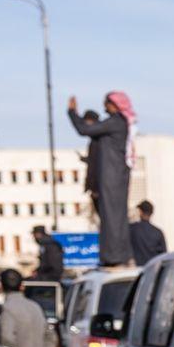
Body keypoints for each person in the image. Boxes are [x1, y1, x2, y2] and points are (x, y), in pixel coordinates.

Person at [67, 91, 135, 266]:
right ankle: (115, 255)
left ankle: (114, 256)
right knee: (112, 218)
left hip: (112, 177)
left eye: (107, 103)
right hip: (113, 176)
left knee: (113, 218)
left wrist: (72, 113)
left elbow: (84, 129)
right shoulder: (116, 124)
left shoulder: (115, 122)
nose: (104, 107)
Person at [0, 269, 52, 347]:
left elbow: (6, 338)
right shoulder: (35, 306)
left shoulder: (7, 308)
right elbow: (51, 336)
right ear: (22, 286)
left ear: (0, 286)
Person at [128, 200, 167, 265]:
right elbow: (164, 256)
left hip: (137, 270)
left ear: (140, 212)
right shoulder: (158, 232)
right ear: (151, 213)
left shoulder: (132, 229)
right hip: (153, 270)